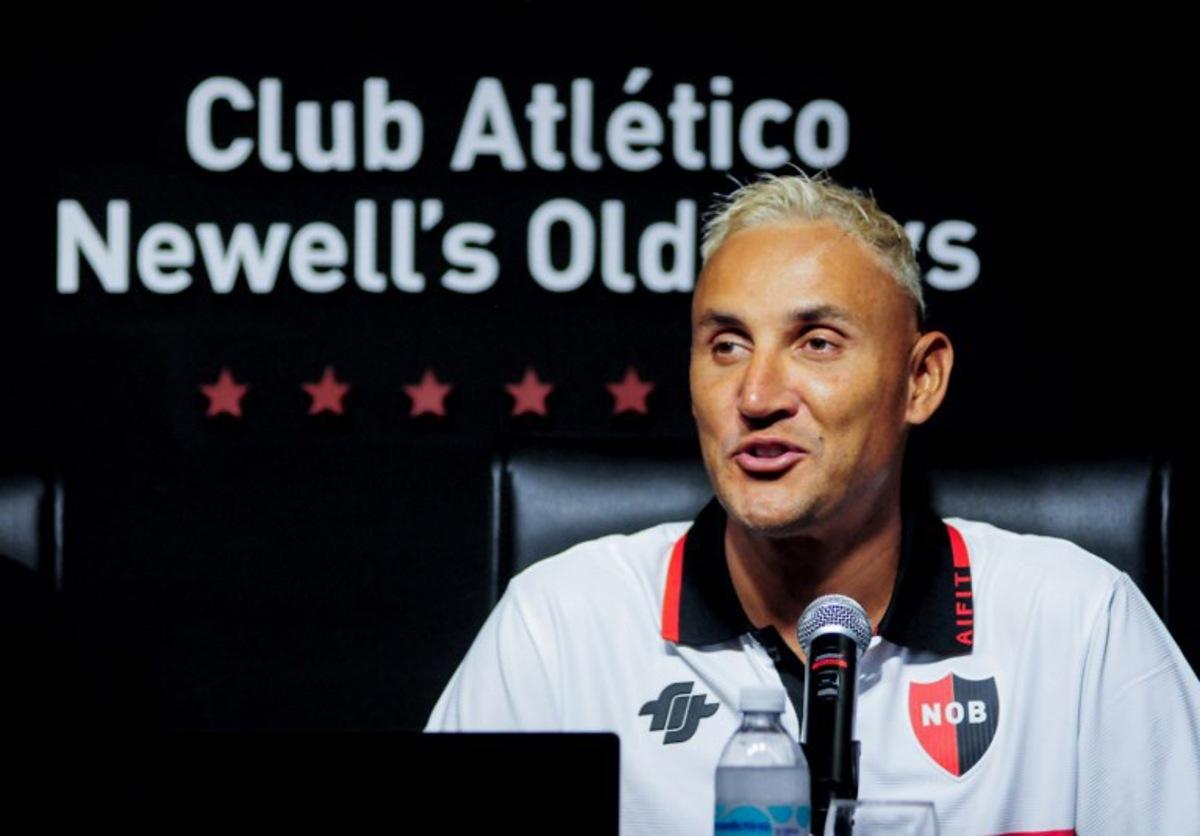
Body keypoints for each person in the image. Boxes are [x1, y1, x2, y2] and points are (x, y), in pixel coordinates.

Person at [424, 170, 1200, 835]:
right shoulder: (556, 632)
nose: (756, 396)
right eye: (727, 345)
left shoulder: (1079, 625)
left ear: (920, 380)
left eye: (817, 342)